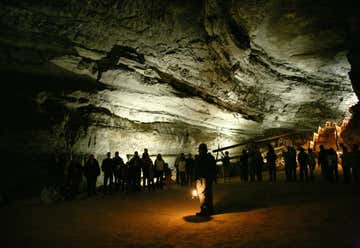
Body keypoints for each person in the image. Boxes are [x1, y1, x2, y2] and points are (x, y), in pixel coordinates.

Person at [194, 143, 217, 217]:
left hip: (205, 179)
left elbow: (213, 169)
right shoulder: (209, 158)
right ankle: (207, 210)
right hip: (203, 179)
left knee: (205, 195)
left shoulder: (202, 158)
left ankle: (206, 210)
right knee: (205, 195)